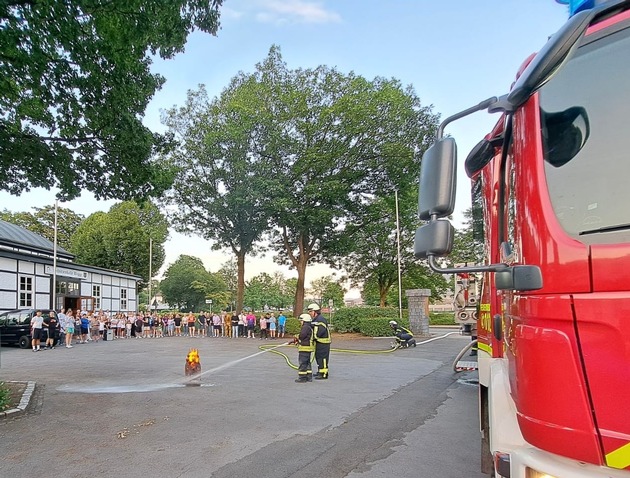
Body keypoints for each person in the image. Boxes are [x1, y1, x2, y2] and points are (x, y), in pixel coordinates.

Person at [308, 303, 331, 380]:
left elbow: (319, 332)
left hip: (323, 343)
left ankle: (324, 374)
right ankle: (320, 371)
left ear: (315, 311)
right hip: (319, 342)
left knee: (323, 358)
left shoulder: (321, 320)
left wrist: (312, 338)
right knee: (318, 357)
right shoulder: (315, 320)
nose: (309, 313)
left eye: (311, 311)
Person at [294, 313, 314, 383]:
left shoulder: (305, 327)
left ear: (304, 320)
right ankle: (309, 377)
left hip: (304, 347)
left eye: (301, 321)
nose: (300, 322)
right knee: (307, 363)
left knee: (302, 363)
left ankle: (302, 378)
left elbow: (302, 336)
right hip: (308, 347)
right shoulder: (309, 327)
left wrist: (296, 337)